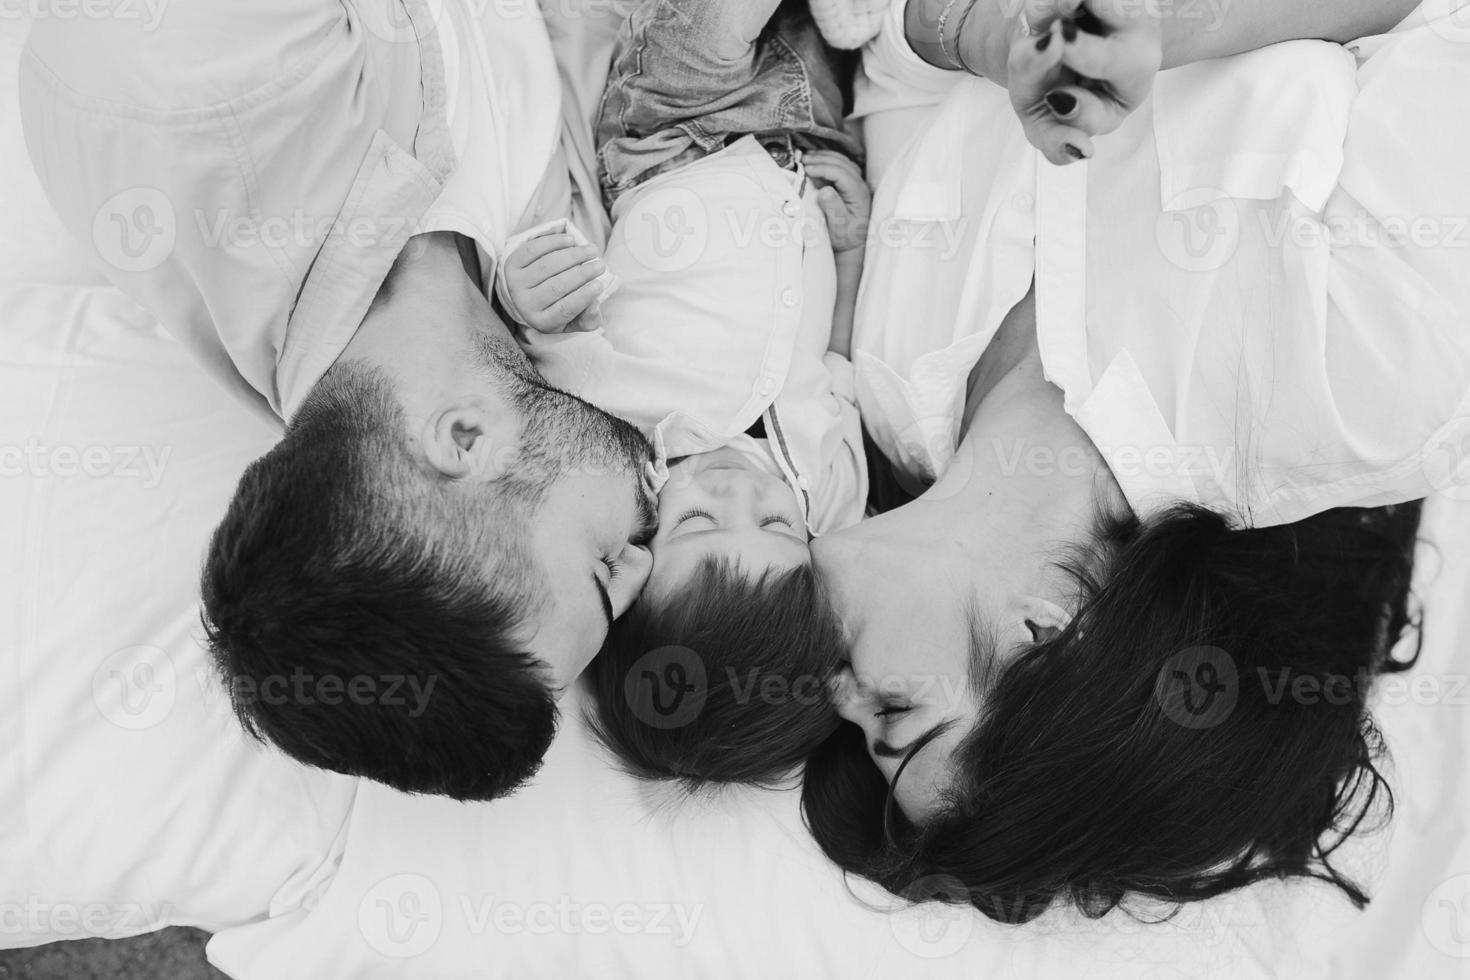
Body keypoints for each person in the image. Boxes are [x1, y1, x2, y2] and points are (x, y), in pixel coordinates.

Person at [802, 0, 1469, 922]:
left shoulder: (887, 378)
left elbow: (883, 58)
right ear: (1049, 631)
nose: (840, 687)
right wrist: (1178, 27)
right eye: (895, 720)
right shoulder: (1363, 396)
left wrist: (978, 37)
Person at [19, 0, 659, 801]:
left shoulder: (195, 90)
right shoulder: (530, 320)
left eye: (602, 571)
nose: (645, 566)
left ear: (463, 440)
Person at [498, 0, 873, 788]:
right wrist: (850, 250)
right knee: (828, 35)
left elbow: (541, 348)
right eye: (774, 524)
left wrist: (526, 297)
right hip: (808, 149)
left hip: (674, 135)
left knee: (712, 24)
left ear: (635, 563)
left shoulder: (618, 454)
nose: (741, 492)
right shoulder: (832, 499)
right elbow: (837, 363)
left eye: (700, 521)